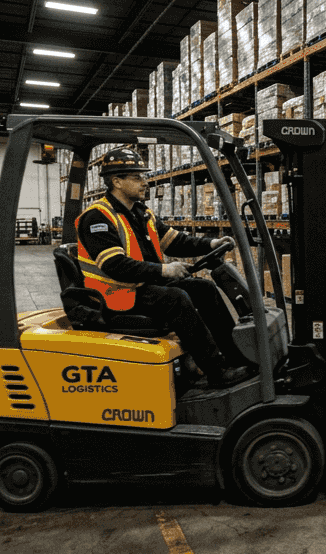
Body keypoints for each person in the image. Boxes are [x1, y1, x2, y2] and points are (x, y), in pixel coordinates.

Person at [76, 147, 243, 387]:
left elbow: (175, 241)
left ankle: (235, 357)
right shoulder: (97, 217)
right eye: (137, 177)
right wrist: (163, 271)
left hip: (141, 285)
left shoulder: (141, 213)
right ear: (117, 181)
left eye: (143, 176)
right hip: (115, 294)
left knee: (204, 288)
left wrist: (211, 243)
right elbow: (114, 265)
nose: (145, 182)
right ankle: (216, 372)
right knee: (176, 298)